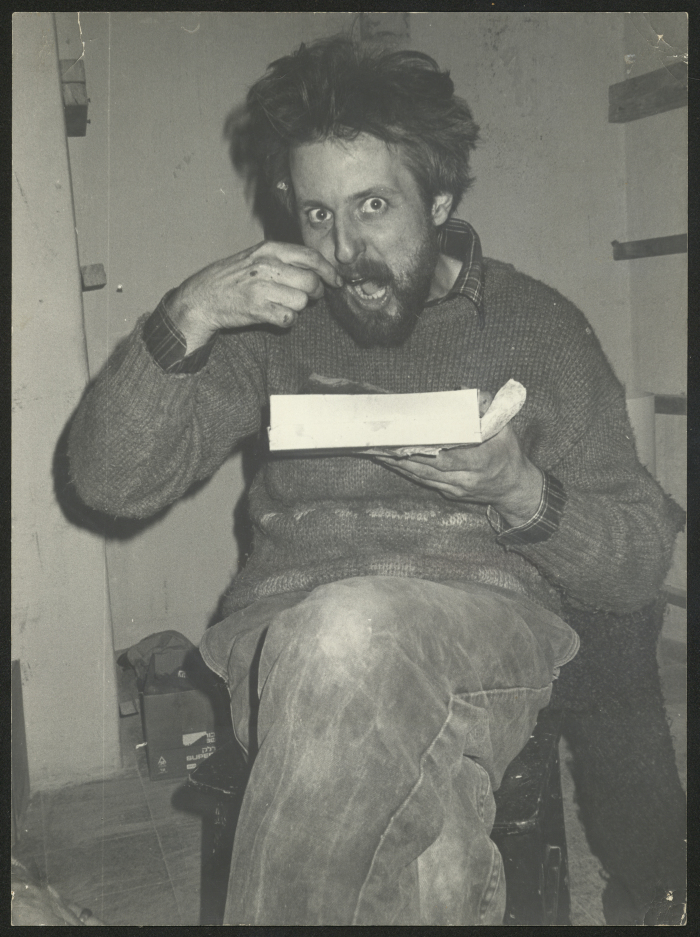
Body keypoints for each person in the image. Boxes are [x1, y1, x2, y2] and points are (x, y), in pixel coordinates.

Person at [67, 37, 684, 926]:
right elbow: (109, 484)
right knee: (430, 854)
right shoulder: (273, 324)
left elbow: (634, 566)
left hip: (486, 635)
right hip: (281, 639)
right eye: (316, 214)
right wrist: (186, 317)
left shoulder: (539, 326)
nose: (345, 249)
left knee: (354, 628)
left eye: (372, 207)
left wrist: (518, 492)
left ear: (438, 199)